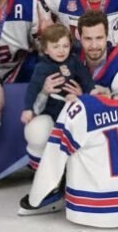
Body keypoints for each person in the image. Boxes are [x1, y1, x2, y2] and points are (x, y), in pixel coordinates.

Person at [18, 90, 118, 225]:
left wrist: (36, 197)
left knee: (41, 132)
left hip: (89, 210)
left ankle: (49, 196)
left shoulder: (82, 108)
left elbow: (55, 153)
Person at [21, 24, 96, 169]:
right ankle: (42, 170)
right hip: (51, 109)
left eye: (65, 46)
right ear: (46, 50)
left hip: (72, 108)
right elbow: (33, 88)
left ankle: (77, 169)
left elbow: (85, 78)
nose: (61, 51)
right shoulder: (42, 67)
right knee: (38, 131)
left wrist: (91, 92)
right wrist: (28, 108)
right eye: (56, 47)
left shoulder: (74, 61)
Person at [74, 9, 118, 98]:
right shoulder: (72, 58)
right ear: (79, 37)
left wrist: (108, 101)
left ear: (107, 36)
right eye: (88, 39)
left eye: (99, 38)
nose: (94, 45)